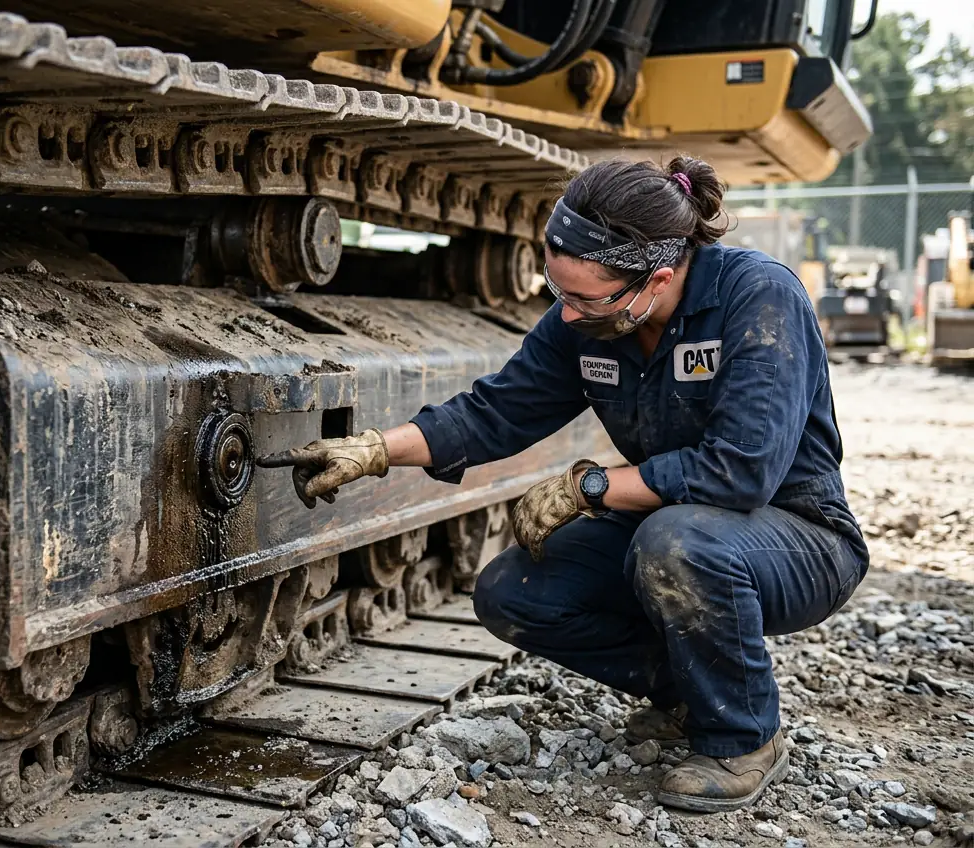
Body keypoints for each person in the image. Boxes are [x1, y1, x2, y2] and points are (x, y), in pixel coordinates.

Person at [257, 155, 868, 813]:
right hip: (681, 525)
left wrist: (593, 489)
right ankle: (696, 689)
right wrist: (376, 450)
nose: (567, 316)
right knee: (513, 592)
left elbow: (740, 471)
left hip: (800, 541)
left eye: (583, 298)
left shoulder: (759, 297)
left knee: (676, 541)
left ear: (656, 281)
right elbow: (497, 411)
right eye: (557, 290)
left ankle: (743, 734)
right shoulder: (596, 321)